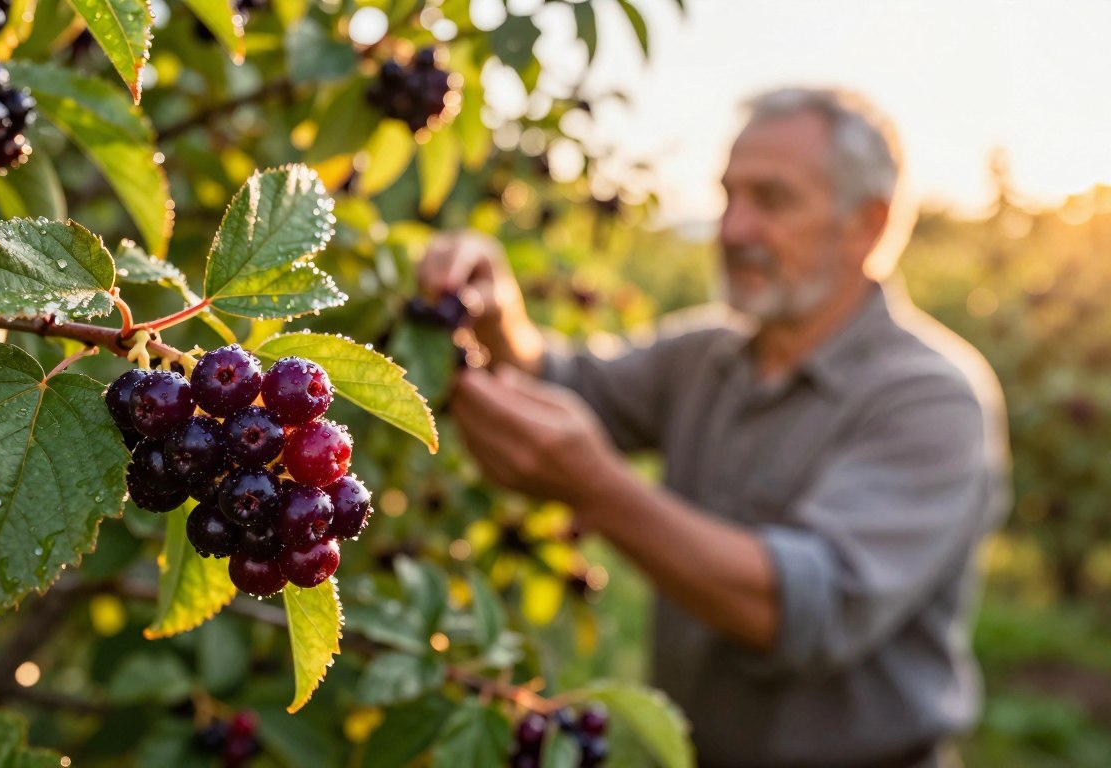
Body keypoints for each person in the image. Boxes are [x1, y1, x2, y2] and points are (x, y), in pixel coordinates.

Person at [418, 88, 1011, 768]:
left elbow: (802, 609)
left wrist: (599, 490)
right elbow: (563, 382)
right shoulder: (709, 355)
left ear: (867, 225)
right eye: (729, 196)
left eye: (773, 199)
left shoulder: (931, 399)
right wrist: (497, 314)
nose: (732, 229)